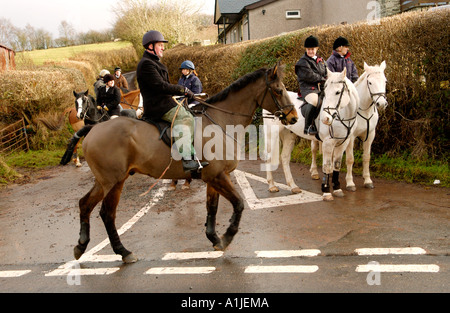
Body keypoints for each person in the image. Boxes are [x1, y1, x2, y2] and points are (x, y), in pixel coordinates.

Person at [136, 30, 208, 173]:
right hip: (158, 106)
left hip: (164, 101)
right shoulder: (146, 64)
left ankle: (192, 154)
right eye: (160, 45)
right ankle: (187, 159)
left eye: (163, 45)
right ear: (150, 46)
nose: (163, 47)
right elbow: (160, 86)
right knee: (185, 117)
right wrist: (183, 90)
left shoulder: (154, 63)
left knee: (191, 113)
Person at [295, 35, 328, 135]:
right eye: (308, 49)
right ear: (306, 49)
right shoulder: (302, 62)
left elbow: (326, 72)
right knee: (314, 101)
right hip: (308, 89)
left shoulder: (321, 61)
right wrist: (323, 79)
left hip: (321, 88)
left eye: (312, 49)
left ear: (317, 49)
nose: (310, 51)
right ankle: (308, 127)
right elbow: (310, 76)